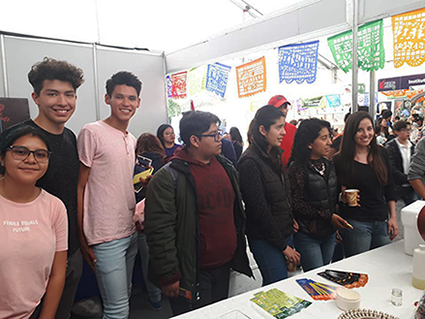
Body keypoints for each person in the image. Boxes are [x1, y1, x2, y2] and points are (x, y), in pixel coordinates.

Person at [144, 111, 252, 316]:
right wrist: (169, 276)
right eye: (214, 134)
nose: (221, 138)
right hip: (192, 272)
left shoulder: (225, 166)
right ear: (194, 140)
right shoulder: (168, 178)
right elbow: (159, 232)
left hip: (224, 265)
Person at [0, 57, 84, 319]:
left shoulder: (70, 137)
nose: (62, 102)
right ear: (36, 97)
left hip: (69, 251)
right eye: (53, 94)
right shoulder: (18, 139)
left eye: (69, 94)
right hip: (23, 257)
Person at [77, 71, 142, 319]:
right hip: (104, 236)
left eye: (131, 98)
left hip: (129, 228)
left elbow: (113, 180)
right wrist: (82, 236)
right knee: (117, 310)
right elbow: (81, 186)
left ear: (138, 103)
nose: (126, 103)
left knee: (123, 297)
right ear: (107, 98)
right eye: (119, 97)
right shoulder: (91, 132)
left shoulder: (132, 138)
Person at [0, 126, 68, 319]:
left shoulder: (55, 207)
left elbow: (57, 274)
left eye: (40, 154)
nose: (31, 160)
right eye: (20, 152)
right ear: (2, 158)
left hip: (32, 313)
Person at [238, 105, 300, 286]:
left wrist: (290, 218)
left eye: (284, 127)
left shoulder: (273, 154)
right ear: (263, 130)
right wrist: (283, 246)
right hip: (265, 238)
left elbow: (281, 193)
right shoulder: (250, 162)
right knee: (276, 286)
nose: (283, 133)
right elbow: (259, 209)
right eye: (278, 127)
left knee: (282, 285)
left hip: (283, 231)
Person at [333, 111, 398, 258]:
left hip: (382, 220)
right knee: (359, 270)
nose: (366, 134)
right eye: (359, 130)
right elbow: (333, 194)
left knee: (383, 267)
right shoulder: (339, 159)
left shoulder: (381, 153)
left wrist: (393, 217)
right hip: (355, 223)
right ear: (351, 132)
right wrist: (341, 198)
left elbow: (389, 187)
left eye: (369, 129)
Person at [288, 119, 350, 272]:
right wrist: (329, 217)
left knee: (325, 272)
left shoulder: (329, 164)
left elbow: (330, 197)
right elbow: (297, 204)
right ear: (309, 143)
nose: (329, 142)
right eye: (324, 138)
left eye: (329, 137)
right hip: (308, 234)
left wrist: (341, 199)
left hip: (328, 232)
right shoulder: (297, 168)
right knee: (316, 277)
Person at [133, 133, 164, 310]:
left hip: (140, 216)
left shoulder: (134, 163)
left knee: (146, 259)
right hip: (162, 213)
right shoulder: (165, 161)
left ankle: (155, 299)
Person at [386, 121, 418, 206]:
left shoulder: (413, 147)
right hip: (396, 186)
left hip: (411, 186)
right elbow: (391, 168)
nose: (408, 133)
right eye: (405, 130)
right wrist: (406, 178)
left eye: (409, 130)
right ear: (396, 132)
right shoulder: (390, 147)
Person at [268, 95, 297, 166]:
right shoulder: (264, 130)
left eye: (285, 107)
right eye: (279, 108)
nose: (284, 110)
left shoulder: (294, 129)